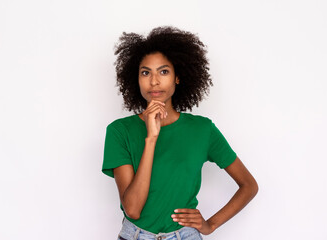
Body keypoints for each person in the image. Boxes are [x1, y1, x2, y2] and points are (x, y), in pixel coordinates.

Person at [102, 26, 258, 240]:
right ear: (136, 78)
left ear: (177, 77)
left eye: (164, 71)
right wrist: (151, 139)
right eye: (145, 72)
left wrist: (210, 225)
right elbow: (133, 209)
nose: (154, 81)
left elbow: (249, 186)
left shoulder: (203, 130)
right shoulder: (120, 131)